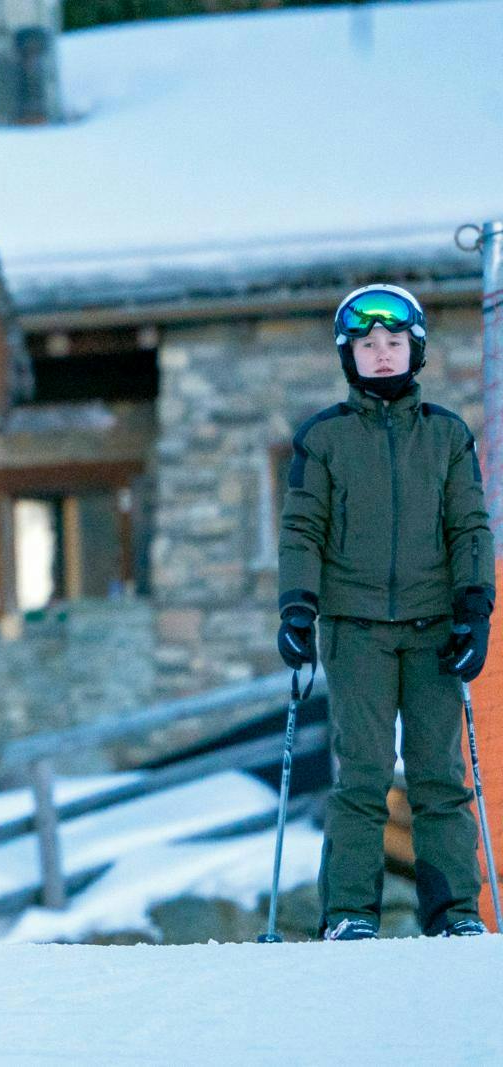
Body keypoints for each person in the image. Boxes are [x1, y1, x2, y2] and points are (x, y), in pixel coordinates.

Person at [278, 283, 493, 940]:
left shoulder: (447, 435)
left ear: (414, 349)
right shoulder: (324, 438)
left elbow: (470, 529)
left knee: (439, 775)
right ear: (349, 355)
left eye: (393, 342)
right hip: (356, 631)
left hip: (435, 631)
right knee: (362, 777)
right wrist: (297, 609)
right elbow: (302, 531)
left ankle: (455, 912)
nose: (380, 353)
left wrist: (475, 609)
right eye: (366, 344)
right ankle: (349, 911)